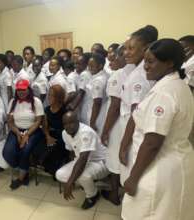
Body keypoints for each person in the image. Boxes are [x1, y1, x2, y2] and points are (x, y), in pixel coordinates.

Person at [121, 39, 194, 220]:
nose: (145, 66)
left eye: (151, 61)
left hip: (158, 168)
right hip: (175, 162)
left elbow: (153, 142)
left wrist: (133, 178)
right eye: (145, 61)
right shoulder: (178, 86)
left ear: (169, 63)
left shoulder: (164, 93)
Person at [119, 25, 158, 185]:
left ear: (146, 48)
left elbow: (136, 114)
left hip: (134, 132)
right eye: (125, 48)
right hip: (130, 127)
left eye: (131, 48)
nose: (125, 52)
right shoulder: (136, 70)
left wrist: (123, 145)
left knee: (130, 177)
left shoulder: (141, 76)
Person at [100, 45, 135, 205]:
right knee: (128, 158)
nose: (111, 61)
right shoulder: (137, 71)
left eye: (115, 58)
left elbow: (114, 106)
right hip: (130, 123)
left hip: (118, 123)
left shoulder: (118, 75)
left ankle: (114, 195)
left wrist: (105, 131)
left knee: (115, 160)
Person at [56, 111, 109, 210]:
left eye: (71, 122)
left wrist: (70, 182)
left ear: (78, 122)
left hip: (101, 162)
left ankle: (92, 195)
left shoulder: (86, 132)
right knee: (60, 174)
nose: (68, 126)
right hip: (81, 160)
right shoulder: (65, 133)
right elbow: (71, 152)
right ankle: (86, 184)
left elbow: (83, 159)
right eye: (65, 124)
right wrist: (72, 167)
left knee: (82, 175)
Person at [3, 79, 44, 190]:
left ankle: (21, 178)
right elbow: (10, 121)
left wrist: (27, 135)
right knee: (7, 152)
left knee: (25, 150)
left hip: (33, 131)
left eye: (23, 89)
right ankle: (23, 168)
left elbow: (38, 121)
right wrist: (17, 133)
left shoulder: (36, 101)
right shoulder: (13, 102)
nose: (21, 92)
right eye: (19, 90)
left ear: (28, 89)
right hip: (16, 130)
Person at [40, 85, 69, 176]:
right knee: (38, 147)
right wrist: (48, 136)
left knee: (53, 151)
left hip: (62, 137)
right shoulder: (47, 110)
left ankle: (56, 170)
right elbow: (45, 126)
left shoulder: (65, 111)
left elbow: (67, 131)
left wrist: (54, 139)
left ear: (58, 97)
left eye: (52, 95)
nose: (49, 98)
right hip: (49, 135)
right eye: (49, 95)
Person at [85, 54, 109, 134]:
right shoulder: (102, 75)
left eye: (92, 66)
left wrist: (92, 122)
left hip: (96, 116)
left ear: (100, 66)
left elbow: (97, 102)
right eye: (88, 65)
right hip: (98, 113)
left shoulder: (98, 81)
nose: (89, 68)